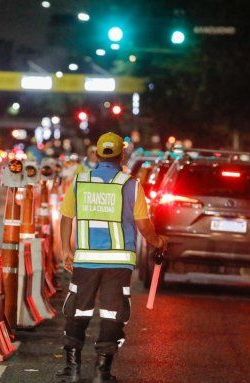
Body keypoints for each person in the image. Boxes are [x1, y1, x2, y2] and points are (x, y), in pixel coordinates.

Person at [56, 132, 167, 383]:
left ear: (97, 154)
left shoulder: (80, 181)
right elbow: (144, 225)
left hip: (85, 260)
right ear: (121, 155)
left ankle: (72, 370)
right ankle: (102, 372)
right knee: (112, 313)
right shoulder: (131, 184)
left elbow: (66, 218)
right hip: (119, 262)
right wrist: (158, 242)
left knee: (78, 311)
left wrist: (65, 250)